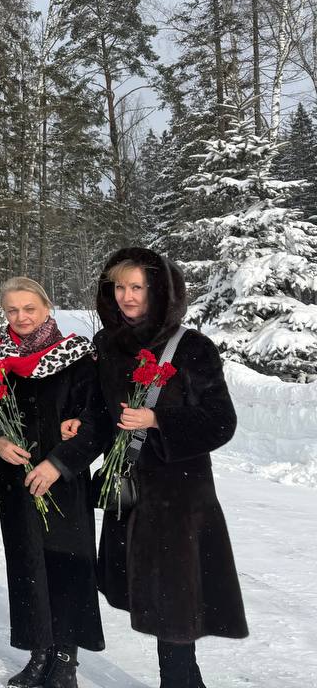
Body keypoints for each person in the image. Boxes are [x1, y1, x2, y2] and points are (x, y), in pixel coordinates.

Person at [91, 247, 247, 688]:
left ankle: (179, 680)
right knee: (153, 597)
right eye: (119, 287)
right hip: (131, 490)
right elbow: (102, 414)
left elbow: (221, 421)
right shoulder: (107, 345)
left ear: (159, 290)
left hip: (179, 496)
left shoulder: (192, 347)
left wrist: (158, 419)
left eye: (137, 287)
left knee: (175, 601)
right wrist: (78, 426)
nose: (127, 296)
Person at [0, 276, 105, 688]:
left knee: (66, 565)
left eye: (29, 308)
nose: (21, 317)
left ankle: (65, 660)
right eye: (12, 310)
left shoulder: (77, 357)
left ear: (47, 308)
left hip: (62, 481)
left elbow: (97, 421)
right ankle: (39, 652)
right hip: (15, 480)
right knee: (28, 566)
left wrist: (59, 463)